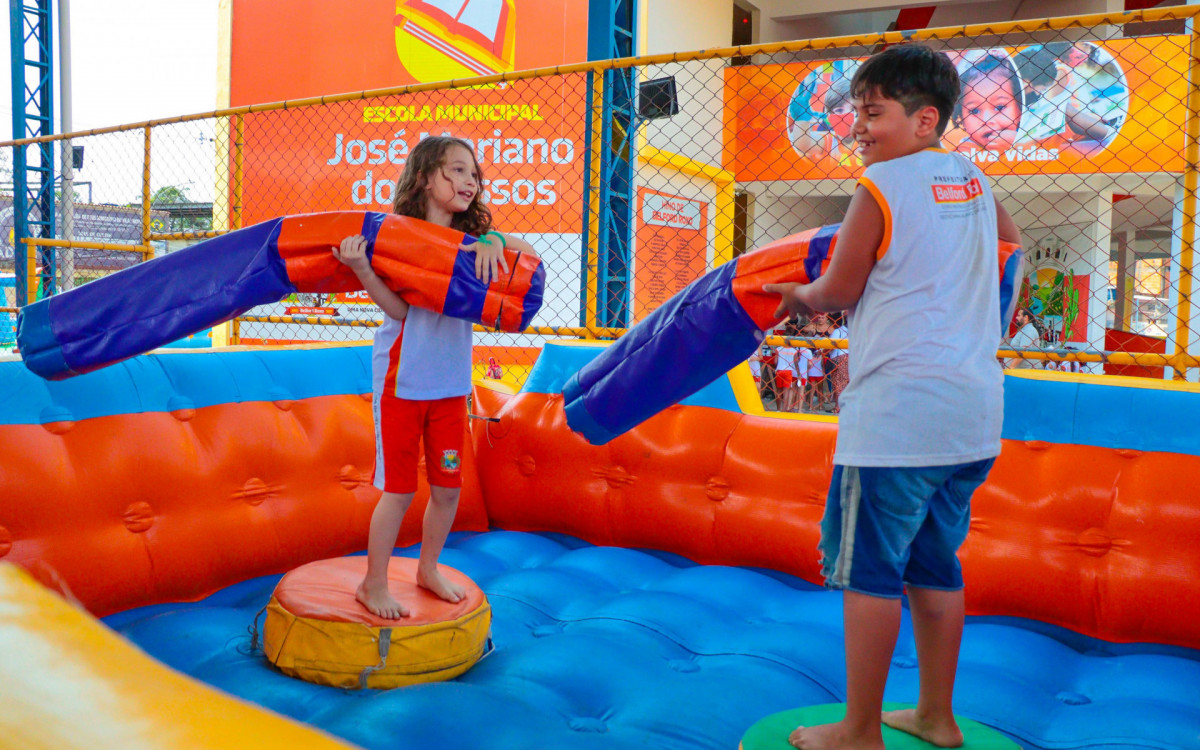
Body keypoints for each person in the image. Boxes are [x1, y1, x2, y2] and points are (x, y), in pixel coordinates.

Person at [764, 44, 1023, 750]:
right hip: (972, 417)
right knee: (935, 565)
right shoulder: (973, 180)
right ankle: (936, 716)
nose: (858, 127)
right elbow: (1013, 253)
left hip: (897, 420)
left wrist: (795, 296)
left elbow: (838, 290)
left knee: (871, 573)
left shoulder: (879, 185)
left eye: (872, 113)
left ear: (924, 118)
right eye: (857, 112)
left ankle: (858, 729)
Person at [333, 135, 536, 620]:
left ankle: (427, 569)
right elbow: (400, 310)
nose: (470, 181)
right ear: (425, 177)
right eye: (457, 170)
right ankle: (372, 583)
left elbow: (526, 251)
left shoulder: (474, 240)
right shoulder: (401, 237)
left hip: (449, 388)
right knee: (400, 490)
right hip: (403, 384)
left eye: (474, 174)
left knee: (448, 489)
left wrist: (493, 240)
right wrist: (362, 268)